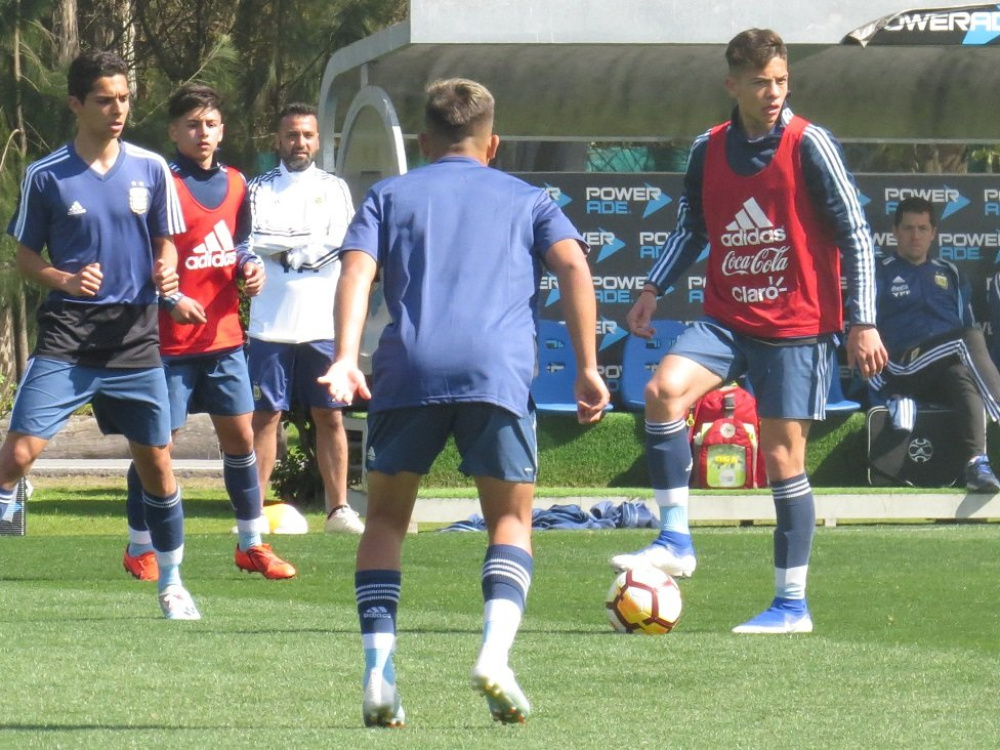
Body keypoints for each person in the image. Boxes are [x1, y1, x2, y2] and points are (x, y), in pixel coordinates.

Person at [319, 78, 609, 727]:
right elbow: (572, 266)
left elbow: (356, 272)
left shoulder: (389, 195)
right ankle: (495, 655)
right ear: (493, 143)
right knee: (510, 520)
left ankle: (378, 674)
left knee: (384, 521)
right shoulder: (528, 198)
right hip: (495, 371)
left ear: (423, 142)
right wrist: (588, 366)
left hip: (409, 370)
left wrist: (344, 356)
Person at [609, 28, 888, 634]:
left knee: (783, 459)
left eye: (782, 80)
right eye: (761, 82)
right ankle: (676, 540)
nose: (774, 92)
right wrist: (652, 288)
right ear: (732, 84)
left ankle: (791, 606)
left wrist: (862, 320)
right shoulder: (708, 148)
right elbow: (692, 228)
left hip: (796, 326)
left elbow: (856, 234)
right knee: (662, 392)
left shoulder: (810, 143)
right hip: (727, 319)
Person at [1, 50, 200, 619]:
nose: (118, 110)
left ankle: (173, 584)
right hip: (68, 336)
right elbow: (24, 258)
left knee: (157, 465)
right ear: (75, 104)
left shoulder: (151, 168)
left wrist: (167, 272)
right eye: (104, 100)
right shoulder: (46, 174)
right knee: (16, 456)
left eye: (124, 99)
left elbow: (166, 242)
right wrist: (64, 278)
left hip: (135, 338)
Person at [121, 83, 297, 583]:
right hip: (168, 345)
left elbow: (238, 243)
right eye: (193, 124)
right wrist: (170, 299)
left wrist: (249, 268)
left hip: (224, 339)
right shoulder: (161, 184)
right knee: (157, 448)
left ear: (223, 131)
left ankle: (251, 544)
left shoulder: (237, 183)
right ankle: (139, 545)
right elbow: (138, 259)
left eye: (211, 124)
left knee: (241, 440)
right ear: (173, 131)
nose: (203, 133)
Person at [242, 103, 364, 534]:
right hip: (271, 323)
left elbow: (343, 242)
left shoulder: (334, 188)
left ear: (318, 141)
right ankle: (252, 514)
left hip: (323, 323)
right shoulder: (258, 187)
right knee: (265, 417)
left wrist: (289, 248)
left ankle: (338, 510)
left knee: (329, 416)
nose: (300, 143)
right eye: (292, 135)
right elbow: (253, 238)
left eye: (308, 135)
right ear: (278, 140)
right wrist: (304, 242)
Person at [874, 196, 1000, 493]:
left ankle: (977, 465)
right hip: (902, 365)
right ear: (895, 231)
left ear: (933, 233)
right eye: (908, 228)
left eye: (922, 228)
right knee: (969, 338)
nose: (915, 235)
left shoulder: (950, 273)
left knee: (960, 372)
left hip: (942, 368)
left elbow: (965, 320)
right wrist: (880, 385)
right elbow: (863, 331)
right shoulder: (880, 272)